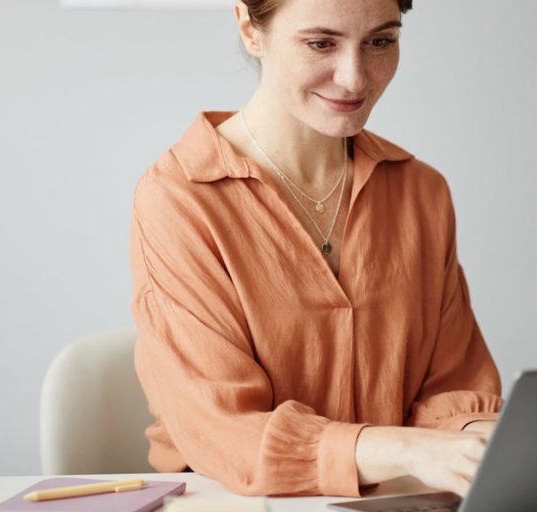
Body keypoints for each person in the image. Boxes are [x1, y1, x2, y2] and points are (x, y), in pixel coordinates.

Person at [129, 0, 503, 499]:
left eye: (380, 41)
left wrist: (482, 440)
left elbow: (453, 390)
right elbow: (225, 430)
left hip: (393, 501)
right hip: (232, 503)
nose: (355, 78)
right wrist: (409, 450)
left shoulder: (422, 192)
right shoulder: (179, 198)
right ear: (249, 27)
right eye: (321, 43)